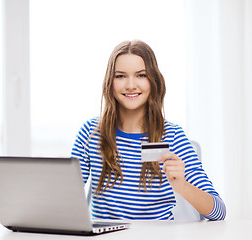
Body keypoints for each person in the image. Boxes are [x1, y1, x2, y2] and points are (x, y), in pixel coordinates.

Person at [71, 40, 226, 220]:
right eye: (120, 76)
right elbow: (64, 199)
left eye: (141, 75)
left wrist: (182, 185)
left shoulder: (172, 135)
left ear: (153, 81)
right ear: (109, 82)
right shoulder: (90, 133)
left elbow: (219, 212)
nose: (130, 85)